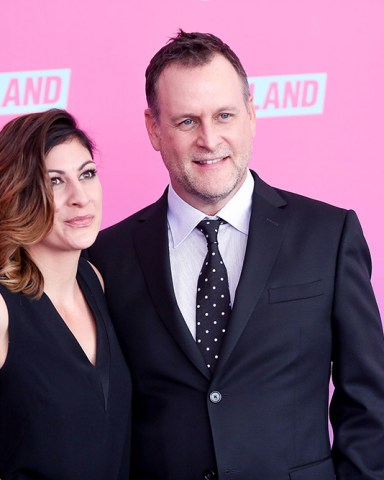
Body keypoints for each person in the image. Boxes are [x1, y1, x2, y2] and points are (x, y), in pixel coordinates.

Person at [88, 31, 384, 480]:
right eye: (187, 121)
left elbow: (369, 402)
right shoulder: (106, 256)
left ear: (251, 113)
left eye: (224, 115)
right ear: (154, 127)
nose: (210, 139)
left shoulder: (329, 234)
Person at [0, 109, 131, 480]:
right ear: (18, 193)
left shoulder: (94, 281)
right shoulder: (3, 309)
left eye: (86, 174)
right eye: (55, 182)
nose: (80, 197)